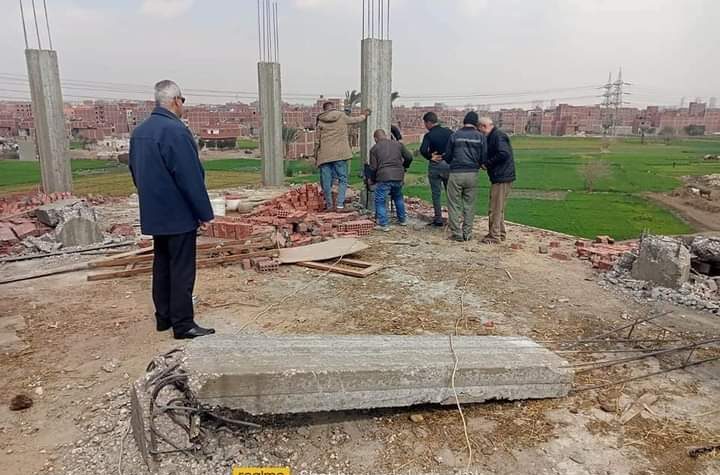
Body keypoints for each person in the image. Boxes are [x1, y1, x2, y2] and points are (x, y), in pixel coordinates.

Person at [129, 80, 215, 340]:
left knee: (162, 265)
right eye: (183, 100)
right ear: (176, 100)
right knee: (181, 269)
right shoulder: (175, 131)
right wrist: (204, 213)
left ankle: (163, 317)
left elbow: (135, 171)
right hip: (178, 213)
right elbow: (190, 177)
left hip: (155, 212)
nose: (182, 105)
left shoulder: (140, 132)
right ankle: (183, 324)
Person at [315, 102, 371, 211]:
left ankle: (329, 205)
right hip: (340, 154)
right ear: (334, 108)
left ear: (324, 110)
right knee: (343, 179)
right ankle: (340, 205)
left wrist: (315, 155)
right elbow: (356, 120)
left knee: (326, 182)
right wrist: (364, 115)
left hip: (325, 156)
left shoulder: (320, 120)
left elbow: (317, 141)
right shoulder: (341, 116)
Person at [443, 111, 487, 241]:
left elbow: (448, 156)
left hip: (456, 173)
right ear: (476, 123)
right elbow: (483, 158)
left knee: (454, 204)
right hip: (472, 174)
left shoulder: (455, 135)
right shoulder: (481, 137)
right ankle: (467, 233)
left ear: (464, 121)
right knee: (469, 205)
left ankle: (457, 233)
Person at [478, 117, 516, 244]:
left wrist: (487, 164)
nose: (480, 132)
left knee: (494, 208)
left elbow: (503, 153)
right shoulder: (496, 135)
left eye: (480, 129)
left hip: (501, 176)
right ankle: (500, 233)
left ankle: (494, 236)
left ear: (483, 126)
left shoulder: (497, 136)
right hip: (502, 176)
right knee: (498, 208)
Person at [368, 129, 413, 231]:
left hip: (384, 177)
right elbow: (409, 157)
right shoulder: (398, 145)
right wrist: (404, 167)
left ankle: (383, 224)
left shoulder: (374, 149)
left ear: (375, 138)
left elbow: (373, 168)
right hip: (398, 176)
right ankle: (402, 220)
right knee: (398, 197)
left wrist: (372, 180)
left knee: (380, 200)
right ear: (385, 135)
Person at [419, 112, 453, 227]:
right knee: (451, 193)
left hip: (435, 165)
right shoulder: (449, 132)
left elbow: (423, 150)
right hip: (448, 164)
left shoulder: (429, 135)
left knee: (436, 193)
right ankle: (453, 219)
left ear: (429, 122)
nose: (425, 126)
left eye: (425, 123)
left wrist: (430, 156)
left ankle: (438, 219)